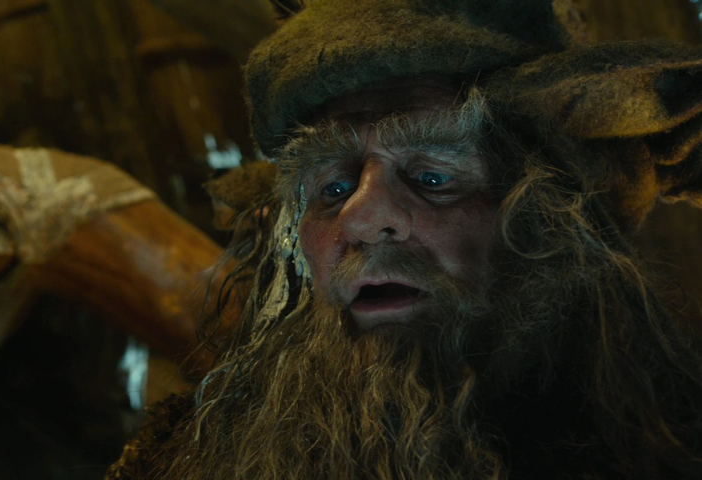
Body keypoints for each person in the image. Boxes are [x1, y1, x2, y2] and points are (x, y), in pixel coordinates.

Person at [107, 1, 702, 478]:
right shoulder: (188, 458)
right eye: (333, 188)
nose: (362, 220)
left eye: (432, 178)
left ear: (548, 220)